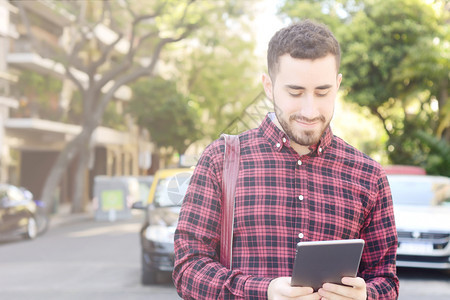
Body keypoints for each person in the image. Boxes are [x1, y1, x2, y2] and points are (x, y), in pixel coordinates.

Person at [173, 20, 399, 300]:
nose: (309, 108)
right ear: (269, 86)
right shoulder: (220, 160)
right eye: (295, 92)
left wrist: (366, 296)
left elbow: (386, 281)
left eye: (322, 92)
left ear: (338, 85)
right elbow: (187, 269)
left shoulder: (369, 175)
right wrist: (263, 291)